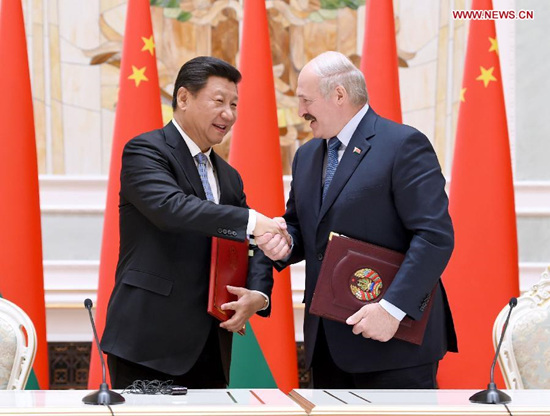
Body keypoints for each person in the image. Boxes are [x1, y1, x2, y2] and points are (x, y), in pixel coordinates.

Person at [257, 51, 457, 389]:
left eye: (306, 100)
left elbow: (434, 235)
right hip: (326, 342)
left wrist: (392, 309)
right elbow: (304, 228)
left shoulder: (403, 144)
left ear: (338, 95)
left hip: (393, 343)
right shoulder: (306, 156)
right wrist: (285, 242)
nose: (301, 111)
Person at [101, 56, 286, 389]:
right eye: (218, 101)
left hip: (211, 345)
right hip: (148, 341)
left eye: (234, 104)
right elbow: (171, 209)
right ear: (183, 98)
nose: (228, 114)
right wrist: (253, 219)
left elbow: (250, 243)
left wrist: (259, 293)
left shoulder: (229, 177)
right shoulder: (146, 151)